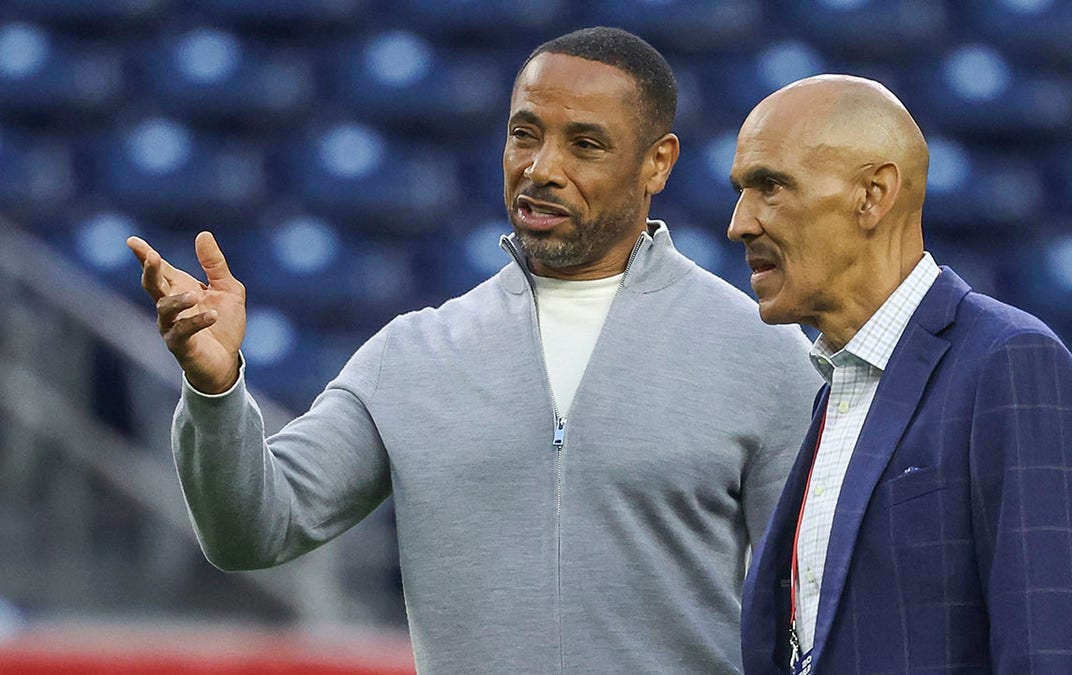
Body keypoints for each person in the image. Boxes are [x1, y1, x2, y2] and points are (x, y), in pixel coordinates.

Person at [126, 27, 822, 674]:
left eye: (585, 145)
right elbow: (250, 533)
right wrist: (215, 392)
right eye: (525, 135)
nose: (542, 168)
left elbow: (817, 604)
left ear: (657, 163)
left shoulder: (761, 352)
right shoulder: (413, 356)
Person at [730, 75, 1072, 674]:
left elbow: (1052, 651)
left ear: (873, 194)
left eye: (770, 187)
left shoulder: (1009, 362)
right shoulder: (836, 389)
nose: (740, 223)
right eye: (741, 192)